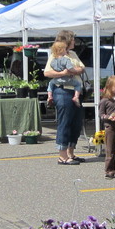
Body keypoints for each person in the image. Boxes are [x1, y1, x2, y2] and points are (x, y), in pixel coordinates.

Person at [44, 29, 85, 165]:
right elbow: (47, 73)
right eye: (72, 39)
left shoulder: (72, 54)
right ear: (67, 40)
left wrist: (75, 70)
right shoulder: (55, 55)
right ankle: (62, 156)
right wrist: (64, 73)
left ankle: (70, 153)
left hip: (75, 91)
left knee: (76, 123)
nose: (74, 41)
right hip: (62, 91)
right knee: (65, 122)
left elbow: (82, 67)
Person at [46, 40, 81, 108]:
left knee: (50, 83)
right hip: (67, 79)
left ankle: (49, 96)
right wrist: (74, 71)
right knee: (78, 84)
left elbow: (52, 67)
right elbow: (70, 68)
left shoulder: (53, 60)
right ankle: (76, 97)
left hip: (57, 81)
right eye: (65, 49)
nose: (66, 50)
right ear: (61, 50)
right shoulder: (66, 60)